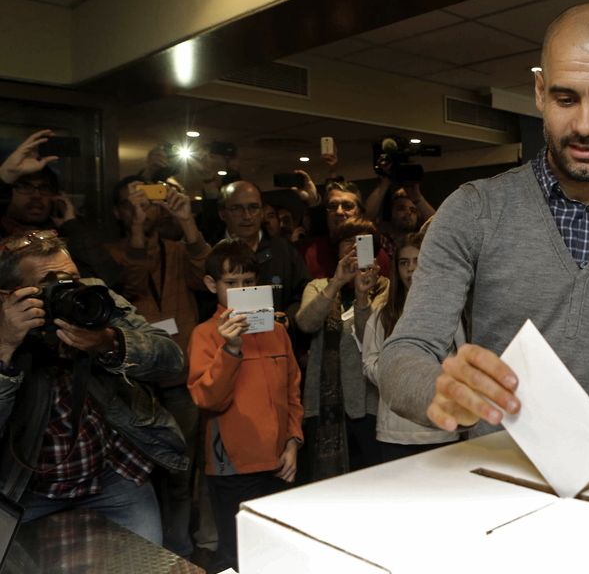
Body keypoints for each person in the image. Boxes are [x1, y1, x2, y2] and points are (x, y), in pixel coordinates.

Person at [379, 2, 589, 448]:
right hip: (503, 481)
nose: (584, 125)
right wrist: (439, 391)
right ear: (540, 92)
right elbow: (404, 353)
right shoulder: (473, 211)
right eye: (566, 98)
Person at [0, 230, 186, 545]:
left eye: (71, 277)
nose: (67, 290)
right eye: (49, 284)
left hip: (110, 475)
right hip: (25, 489)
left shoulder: (91, 297)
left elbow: (172, 359)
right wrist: (5, 346)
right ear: (8, 295)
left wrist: (109, 343)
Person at [105, 176, 210, 557]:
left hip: (181, 381)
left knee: (182, 475)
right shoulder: (112, 254)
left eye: (147, 201)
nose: (143, 208)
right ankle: (146, 553)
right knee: (139, 479)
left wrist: (186, 221)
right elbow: (128, 283)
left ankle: (180, 552)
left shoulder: (177, 251)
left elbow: (206, 277)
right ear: (118, 211)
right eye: (132, 203)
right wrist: (135, 231)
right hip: (133, 386)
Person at [187, 239, 303, 571]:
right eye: (231, 284)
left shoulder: (277, 331)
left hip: (280, 460)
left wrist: (293, 441)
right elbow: (207, 398)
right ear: (212, 285)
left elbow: (293, 390)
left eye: (248, 282)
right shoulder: (206, 335)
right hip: (233, 466)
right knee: (239, 555)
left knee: (279, 549)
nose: (241, 290)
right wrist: (231, 349)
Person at [294, 219, 387, 477]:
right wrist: (336, 282)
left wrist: (361, 295)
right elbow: (306, 323)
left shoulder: (386, 287)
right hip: (323, 403)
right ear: (337, 250)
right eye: (348, 241)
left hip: (367, 401)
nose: (354, 248)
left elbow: (370, 338)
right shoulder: (318, 286)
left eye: (362, 242)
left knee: (371, 478)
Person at [363, 232, 459, 462]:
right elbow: (369, 362)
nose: (411, 269)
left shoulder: (450, 310)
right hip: (396, 433)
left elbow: (461, 356)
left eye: (417, 261)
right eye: (404, 263)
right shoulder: (383, 315)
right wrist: (400, 375)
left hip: (441, 429)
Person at [0, 130, 122, 290]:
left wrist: (72, 225)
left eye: (44, 188)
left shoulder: (64, 237)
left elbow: (110, 281)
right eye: (26, 187)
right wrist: (4, 176)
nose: (36, 195)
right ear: (10, 193)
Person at [218, 180, 310, 326]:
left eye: (253, 207)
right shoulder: (213, 252)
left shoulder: (284, 250)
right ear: (222, 213)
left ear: (262, 212)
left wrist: (288, 319)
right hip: (223, 340)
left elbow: (304, 293)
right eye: (237, 208)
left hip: (279, 340)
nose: (247, 216)